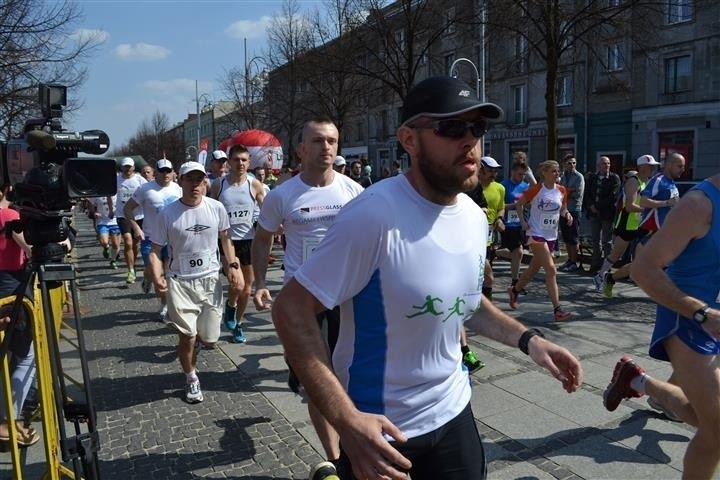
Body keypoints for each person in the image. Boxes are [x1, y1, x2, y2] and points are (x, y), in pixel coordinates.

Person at [271, 77, 583, 480]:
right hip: (382, 432)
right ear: (409, 139)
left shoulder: (472, 217)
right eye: (452, 128)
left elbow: (465, 302)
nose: (469, 140)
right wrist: (346, 420)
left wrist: (529, 340)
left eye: (477, 129)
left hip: (454, 413)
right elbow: (291, 310)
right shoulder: (373, 216)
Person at [251, 117, 364, 480]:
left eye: (331, 141)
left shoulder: (353, 191)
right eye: (317, 141)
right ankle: (335, 460)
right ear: (301, 149)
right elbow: (262, 239)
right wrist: (259, 282)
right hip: (302, 302)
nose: (326, 147)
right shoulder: (282, 195)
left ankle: (349, 442)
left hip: (347, 298)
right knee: (319, 382)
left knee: (347, 377)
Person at [603, 172, 720, 479]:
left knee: (705, 418)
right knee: (716, 430)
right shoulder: (698, 205)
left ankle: (638, 381)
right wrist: (701, 313)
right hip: (689, 320)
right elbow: (643, 269)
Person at [148, 161, 242, 404]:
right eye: (189, 180)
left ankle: (200, 342)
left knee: (210, 339)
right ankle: (191, 378)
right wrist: (158, 275)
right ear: (180, 181)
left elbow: (226, 239)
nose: (195, 185)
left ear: (205, 183)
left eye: (199, 180)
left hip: (210, 281)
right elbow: (155, 250)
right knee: (187, 336)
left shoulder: (217, 208)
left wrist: (233, 266)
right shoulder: (167, 215)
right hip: (181, 283)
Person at [598, 153, 685, 298]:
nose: (683, 169)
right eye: (680, 166)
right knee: (638, 265)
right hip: (649, 230)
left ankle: (611, 278)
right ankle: (609, 278)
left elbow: (671, 207)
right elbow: (643, 203)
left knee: (647, 265)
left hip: (664, 231)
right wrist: (666, 203)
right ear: (670, 165)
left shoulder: (670, 183)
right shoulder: (657, 181)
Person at [211, 144, 266, 343]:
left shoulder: (254, 185)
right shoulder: (218, 185)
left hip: (248, 241)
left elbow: (267, 210)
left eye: (244, 160)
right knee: (237, 283)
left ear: (249, 162)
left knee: (247, 288)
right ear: (229, 161)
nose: (240, 163)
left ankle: (239, 323)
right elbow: (210, 209)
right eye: (236, 160)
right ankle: (230, 306)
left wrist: (276, 226)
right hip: (227, 241)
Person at [508, 160, 573, 321]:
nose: (557, 174)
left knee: (533, 269)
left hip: (551, 235)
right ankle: (557, 309)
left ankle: (515, 290)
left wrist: (567, 215)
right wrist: (523, 221)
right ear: (544, 173)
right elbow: (519, 205)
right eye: (553, 171)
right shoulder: (536, 189)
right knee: (551, 270)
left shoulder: (562, 190)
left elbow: (563, 208)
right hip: (536, 233)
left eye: (558, 171)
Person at [0, 184, 39, 447]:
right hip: (10, 288)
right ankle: (6, 421)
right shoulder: (9, 217)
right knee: (25, 357)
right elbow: (32, 249)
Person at [592, 154, 659, 296]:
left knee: (642, 258)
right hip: (627, 224)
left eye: (654, 166)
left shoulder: (649, 181)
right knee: (616, 254)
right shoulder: (633, 182)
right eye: (650, 166)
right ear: (642, 167)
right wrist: (648, 209)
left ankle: (630, 278)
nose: (653, 168)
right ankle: (600, 277)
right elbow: (629, 206)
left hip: (642, 225)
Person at [123, 159, 182, 320]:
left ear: (172, 172)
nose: (165, 174)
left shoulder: (178, 189)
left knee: (167, 275)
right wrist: (136, 228)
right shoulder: (145, 189)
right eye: (162, 171)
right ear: (156, 172)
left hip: (171, 240)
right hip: (150, 239)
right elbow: (127, 209)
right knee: (154, 274)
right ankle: (148, 277)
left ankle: (166, 305)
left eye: (168, 171)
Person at [109, 157, 147, 284]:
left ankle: (133, 265)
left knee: (135, 244)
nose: (127, 169)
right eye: (125, 166)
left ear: (134, 167)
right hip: (122, 214)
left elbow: (148, 195)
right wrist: (111, 209)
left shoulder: (140, 180)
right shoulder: (116, 179)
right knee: (128, 241)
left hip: (139, 216)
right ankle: (130, 270)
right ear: (122, 167)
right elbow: (110, 194)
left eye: (129, 166)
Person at [582, 156, 620, 273]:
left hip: (607, 213)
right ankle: (595, 264)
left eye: (608, 163)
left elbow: (613, 196)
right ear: (598, 165)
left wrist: (597, 206)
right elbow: (587, 193)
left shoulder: (614, 178)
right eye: (604, 163)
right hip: (594, 214)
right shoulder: (592, 178)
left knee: (607, 241)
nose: (607, 165)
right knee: (595, 240)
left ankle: (607, 266)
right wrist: (591, 206)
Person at [500, 158, 531, 290]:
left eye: (524, 174)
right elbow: (499, 206)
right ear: (512, 172)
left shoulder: (525, 186)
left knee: (518, 252)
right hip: (507, 224)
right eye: (519, 174)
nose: (522, 177)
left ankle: (496, 253)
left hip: (521, 223)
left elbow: (531, 201)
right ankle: (515, 281)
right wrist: (515, 205)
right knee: (518, 252)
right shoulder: (504, 185)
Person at [478, 156, 505, 300]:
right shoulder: (470, 188)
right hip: (471, 238)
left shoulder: (500, 188)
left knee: (486, 275)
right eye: (490, 171)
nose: (494, 174)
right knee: (486, 276)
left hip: (489, 238)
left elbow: (501, 208)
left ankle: (484, 305)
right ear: (480, 170)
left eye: (495, 171)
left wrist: (500, 219)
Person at [558, 154, 584, 272]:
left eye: (574, 163)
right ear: (565, 164)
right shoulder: (563, 177)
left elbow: (577, 194)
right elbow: (558, 191)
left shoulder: (579, 177)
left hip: (574, 210)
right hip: (563, 210)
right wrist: (569, 190)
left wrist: (566, 191)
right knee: (566, 237)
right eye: (569, 163)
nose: (572, 165)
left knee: (574, 237)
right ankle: (569, 260)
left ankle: (574, 262)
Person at [89, 194, 121, 269]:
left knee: (116, 244)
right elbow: (90, 203)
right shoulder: (98, 194)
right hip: (102, 221)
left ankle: (113, 260)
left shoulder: (118, 194)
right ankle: (106, 248)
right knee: (104, 242)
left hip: (115, 221)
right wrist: (94, 212)